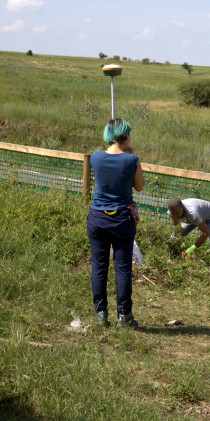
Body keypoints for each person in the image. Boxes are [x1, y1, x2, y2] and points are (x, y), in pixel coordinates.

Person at [87, 118, 145, 328]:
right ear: (125, 136)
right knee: (122, 269)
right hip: (122, 219)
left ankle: (101, 313)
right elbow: (139, 186)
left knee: (99, 267)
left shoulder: (95, 158)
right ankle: (124, 316)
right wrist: (131, 158)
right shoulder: (132, 160)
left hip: (97, 217)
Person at [166, 197, 210, 276]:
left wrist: (192, 248)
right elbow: (177, 227)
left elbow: (206, 233)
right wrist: (179, 240)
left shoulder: (193, 213)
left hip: (209, 217)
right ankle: (171, 262)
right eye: (173, 213)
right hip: (192, 219)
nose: (176, 216)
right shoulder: (171, 212)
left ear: (182, 207)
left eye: (177, 213)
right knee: (173, 238)